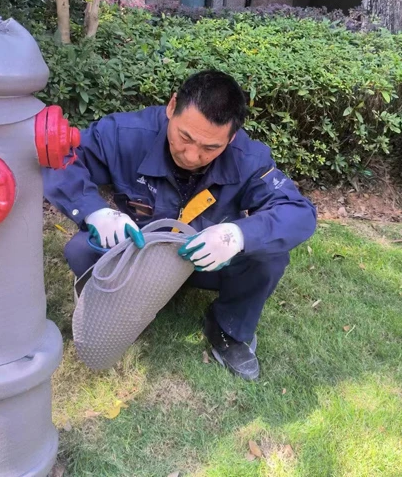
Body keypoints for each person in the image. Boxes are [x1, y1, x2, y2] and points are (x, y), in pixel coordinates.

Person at [42, 70, 317, 381]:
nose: (192, 155)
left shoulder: (249, 159)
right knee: (82, 249)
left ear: (231, 137)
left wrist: (237, 235)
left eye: (210, 147)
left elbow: (299, 212)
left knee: (268, 256)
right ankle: (118, 307)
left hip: (205, 260)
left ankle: (228, 329)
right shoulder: (124, 134)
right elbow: (60, 157)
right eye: (185, 137)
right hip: (140, 252)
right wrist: (94, 212)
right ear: (172, 106)